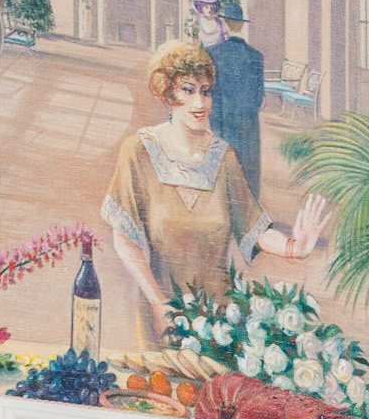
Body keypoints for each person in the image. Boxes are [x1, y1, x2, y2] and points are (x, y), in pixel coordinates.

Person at [103, 41, 327, 348]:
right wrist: (158, 303)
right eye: (188, 90)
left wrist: (295, 248)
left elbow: (252, 229)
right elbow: (124, 239)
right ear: (168, 93)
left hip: (220, 322)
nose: (200, 103)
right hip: (162, 316)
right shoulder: (138, 151)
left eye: (206, 91)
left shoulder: (224, 157)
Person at [191, 0, 263, 196]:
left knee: (224, 166)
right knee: (249, 166)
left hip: (223, 120)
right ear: (240, 25)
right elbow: (258, 98)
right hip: (248, 123)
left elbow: (213, 92)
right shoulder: (255, 56)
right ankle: (252, 206)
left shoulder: (214, 54)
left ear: (225, 23)